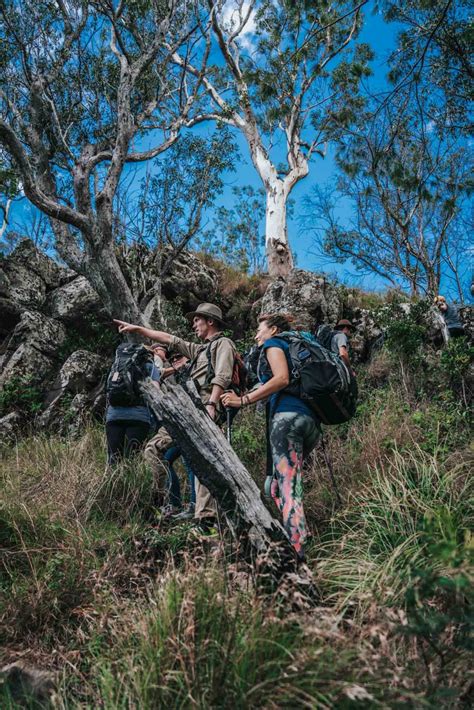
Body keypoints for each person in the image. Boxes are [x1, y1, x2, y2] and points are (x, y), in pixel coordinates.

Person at [114, 303, 236, 533]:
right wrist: (138, 329)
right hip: (186, 410)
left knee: (204, 460)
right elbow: (171, 339)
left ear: (210, 321)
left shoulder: (224, 344)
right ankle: (161, 504)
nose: (193, 324)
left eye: (197, 319)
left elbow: (223, 374)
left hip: (204, 408)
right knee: (152, 449)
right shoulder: (199, 349)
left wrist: (212, 403)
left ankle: (205, 519)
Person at [221, 313, 321, 560]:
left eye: (260, 329)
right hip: (310, 423)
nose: (256, 334)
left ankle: (298, 553)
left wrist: (242, 400)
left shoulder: (274, 344)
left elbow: (281, 378)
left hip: (286, 421)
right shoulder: (294, 348)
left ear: (273, 330)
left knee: (288, 488)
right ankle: (293, 534)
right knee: (274, 487)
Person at [144, 349, 196, 518]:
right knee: (166, 459)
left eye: (179, 357)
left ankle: (193, 506)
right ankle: (175, 504)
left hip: (192, 423)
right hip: (177, 424)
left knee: (191, 463)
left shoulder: (193, 370)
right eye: (173, 359)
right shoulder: (175, 374)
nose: (176, 361)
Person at [105, 344, 161, 465]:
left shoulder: (117, 365)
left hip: (113, 416)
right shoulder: (150, 367)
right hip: (138, 417)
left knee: (113, 458)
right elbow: (156, 392)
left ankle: (113, 482)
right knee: (133, 458)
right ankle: (132, 483)